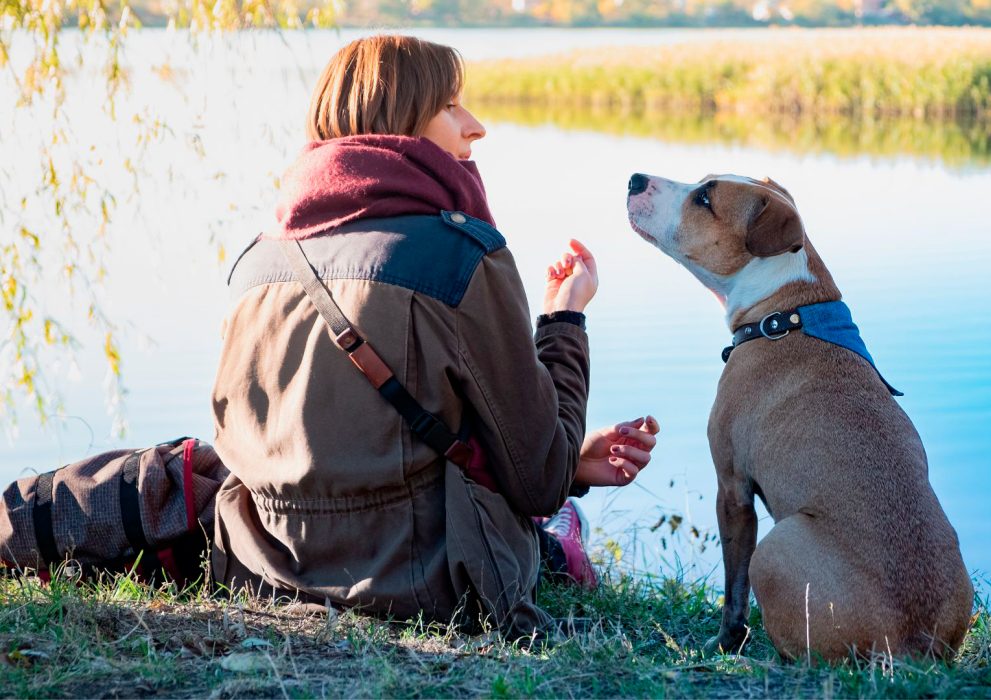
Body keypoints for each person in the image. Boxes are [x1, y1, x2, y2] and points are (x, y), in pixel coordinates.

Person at [207, 35, 659, 635]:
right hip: (428, 587)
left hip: (260, 571)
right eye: (450, 106)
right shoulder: (460, 256)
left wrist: (570, 462)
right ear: (396, 122)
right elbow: (542, 479)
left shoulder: (256, 263)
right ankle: (562, 553)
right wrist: (563, 320)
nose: (475, 128)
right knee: (554, 515)